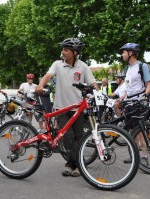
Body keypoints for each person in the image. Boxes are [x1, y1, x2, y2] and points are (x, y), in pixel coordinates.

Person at [36, 38, 98, 177]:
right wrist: (40, 85)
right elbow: (48, 75)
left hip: (78, 109)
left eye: (66, 50)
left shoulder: (82, 66)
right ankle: (79, 165)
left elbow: (93, 82)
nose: (62, 52)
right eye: (63, 49)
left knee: (79, 137)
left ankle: (71, 164)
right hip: (61, 107)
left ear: (75, 52)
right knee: (67, 138)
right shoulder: (57, 64)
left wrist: (95, 89)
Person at [119, 43, 150, 164]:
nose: (122, 54)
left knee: (139, 131)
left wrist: (145, 95)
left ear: (131, 53)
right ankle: (134, 155)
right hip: (128, 103)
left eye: (123, 52)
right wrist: (123, 96)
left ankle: (144, 156)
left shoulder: (141, 66)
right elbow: (128, 87)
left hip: (138, 103)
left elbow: (149, 84)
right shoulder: (127, 69)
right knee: (132, 131)